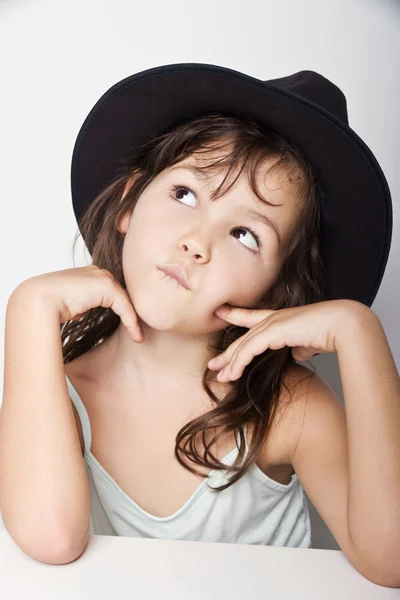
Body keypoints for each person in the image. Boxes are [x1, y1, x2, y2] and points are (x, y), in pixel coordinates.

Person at [1, 64, 397, 583]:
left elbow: (390, 559)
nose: (196, 241)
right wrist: (28, 308)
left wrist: (360, 332)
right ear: (128, 202)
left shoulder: (287, 409)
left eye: (244, 234)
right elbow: (51, 538)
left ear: (277, 290)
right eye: (185, 194)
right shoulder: (62, 390)